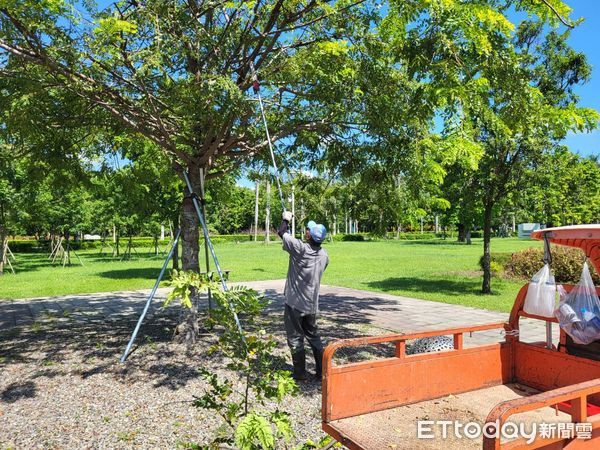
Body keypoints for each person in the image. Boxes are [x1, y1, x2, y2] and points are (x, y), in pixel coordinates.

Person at [278, 211, 329, 382]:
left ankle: (300, 374)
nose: (307, 230)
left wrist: (286, 218)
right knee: (314, 336)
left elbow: (281, 232)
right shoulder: (324, 255)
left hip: (294, 304)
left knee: (295, 338)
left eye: (308, 229)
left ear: (309, 235)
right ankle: (322, 372)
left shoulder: (299, 248)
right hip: (312, 305)